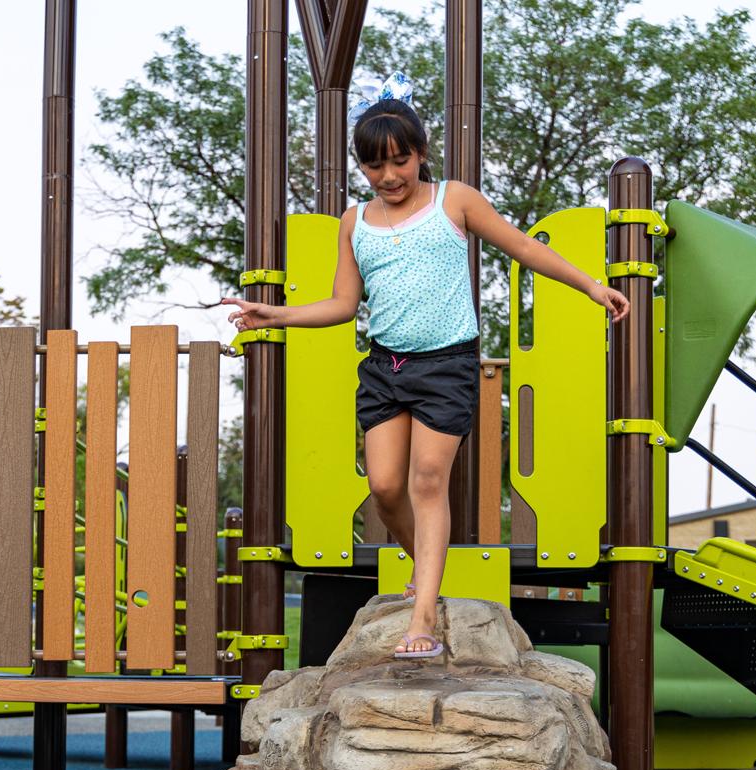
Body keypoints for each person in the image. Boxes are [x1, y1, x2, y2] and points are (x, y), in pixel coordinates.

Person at [221, 81, 628, 660]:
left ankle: (424, 613)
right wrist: (274, 316)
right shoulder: (354, 221)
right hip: (385, 367)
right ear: (361, 166)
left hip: (447, 365)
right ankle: (425, 570)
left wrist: (590, 284)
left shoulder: (453, 201)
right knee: (385, 489)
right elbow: (342, 305)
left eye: (400, 161)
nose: (389, 176)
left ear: (421, 152)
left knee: (427, 481)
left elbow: (522, 247)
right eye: (374, 164)